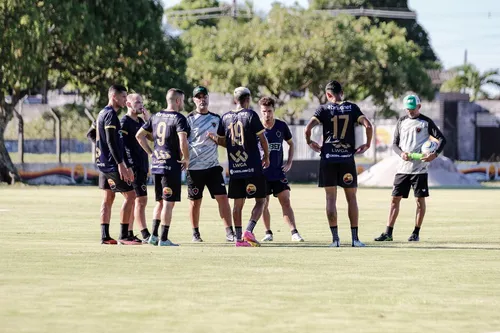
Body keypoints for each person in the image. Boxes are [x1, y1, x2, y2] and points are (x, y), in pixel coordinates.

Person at [304, 80, 373, 247]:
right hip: (347, 159)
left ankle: (335, 240)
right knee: (351, 198)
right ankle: (355, 239)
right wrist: (367, 144)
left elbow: (307, 129)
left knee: (330, 199)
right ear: (341, 92)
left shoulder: (322, 109)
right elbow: (368, 126)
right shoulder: (352, 108)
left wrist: (309, 142)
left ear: (328, 94)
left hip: (328, 159)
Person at [374, 94, 446, 242]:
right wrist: (402, 154)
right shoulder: (401, 121)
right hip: (402, 168)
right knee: (395, 199)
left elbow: (442, 139)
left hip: (420, 169)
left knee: (419, 201)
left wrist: (434, 154)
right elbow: (394, 144)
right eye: (408, 109)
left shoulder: (426, 122)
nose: (410, 111)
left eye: (413, 108)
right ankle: (388, 233)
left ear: (419, 107)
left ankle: (416, 233)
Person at [212, 87, 270, 247]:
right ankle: (248, 230)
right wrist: (266, 156)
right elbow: (262, 138)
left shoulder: (225, 117)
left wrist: (215, 139)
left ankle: (238, 239)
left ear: (235, 100)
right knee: (261, 201)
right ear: (248, 99)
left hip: (235, 168)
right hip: (252, 166)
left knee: (237, 205)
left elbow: (224, 142)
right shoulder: (251, 115)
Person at [136, 88, 190, 247]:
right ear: (178, 101)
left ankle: (153, 236)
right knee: (168, 203)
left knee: (159, 202)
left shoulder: (156, 116)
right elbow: (183, 141)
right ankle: (164, 239)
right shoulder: (179, 118)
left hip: (157, 165)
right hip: (170, 166)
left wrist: (151, 153)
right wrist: (186, 158)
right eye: (183, 100)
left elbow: (139, 135)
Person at [186, 86, 235, 242]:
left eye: (204, 96)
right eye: (198, 97)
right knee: (195, 202)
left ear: (208, 98)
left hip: (213, 167)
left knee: (223, 198)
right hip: (194, 168)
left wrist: (216, 139)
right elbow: (181, 141)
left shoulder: (216, 118)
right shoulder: (188, 119)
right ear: (194, 100)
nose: (202, 99)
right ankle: (195, 233)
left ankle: (230, 233)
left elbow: (226, 142)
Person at [93, 84, 137, 245]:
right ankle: (124, 235)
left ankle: (105, 236)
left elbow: (96, 135)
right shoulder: (110, 115)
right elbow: (112, 141)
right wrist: (121, 164)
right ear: (114, 97)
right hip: (111, 164)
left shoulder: (102, 113)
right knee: (131, 195)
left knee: (108, 198)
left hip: (102, 163)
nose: (126, 100)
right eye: (124, 97)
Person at [257, 97, 304, 242]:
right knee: (263, 203)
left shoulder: (281, 126)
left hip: (278, 172)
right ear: (261, 111)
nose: (267, 114)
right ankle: (268, 232)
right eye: (264, 111)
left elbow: (291, 144)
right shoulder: (256, 128)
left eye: (269, 111)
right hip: (262, 174)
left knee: (286, 200)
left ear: (273, 110)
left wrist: (289, 162)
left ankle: (294, 233)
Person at [120, 93, 152, 243]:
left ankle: (129, 232)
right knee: (141, 199)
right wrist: (128, 166)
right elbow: (123, 146)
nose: (141, 105)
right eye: (137, 102)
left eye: (142, 102)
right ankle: (145, 234)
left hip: (143, 165)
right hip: (134, 167)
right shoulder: (124, 122)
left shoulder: (140, 121)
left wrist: (148, 120)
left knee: (137, 200)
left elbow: (153, 137)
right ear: (128, 104)